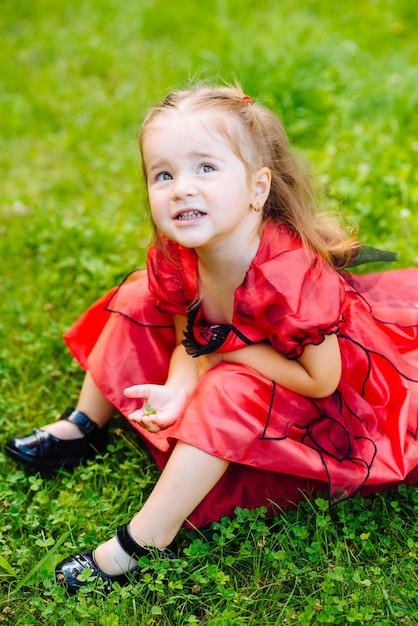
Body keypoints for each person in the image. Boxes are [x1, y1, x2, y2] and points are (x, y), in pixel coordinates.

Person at [5, 83, 418, 595]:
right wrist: (182, 384)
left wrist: (230, 354)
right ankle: (85, 423)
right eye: (163, 174)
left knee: (230, 389)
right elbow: (189, 336)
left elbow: (322, 380)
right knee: (137, 294)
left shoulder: (287, 278)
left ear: (257, 190)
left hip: (324, 407)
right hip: (243, 366)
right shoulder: (179, 254)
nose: (181, 188)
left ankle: (143, 541)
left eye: (205, 168)